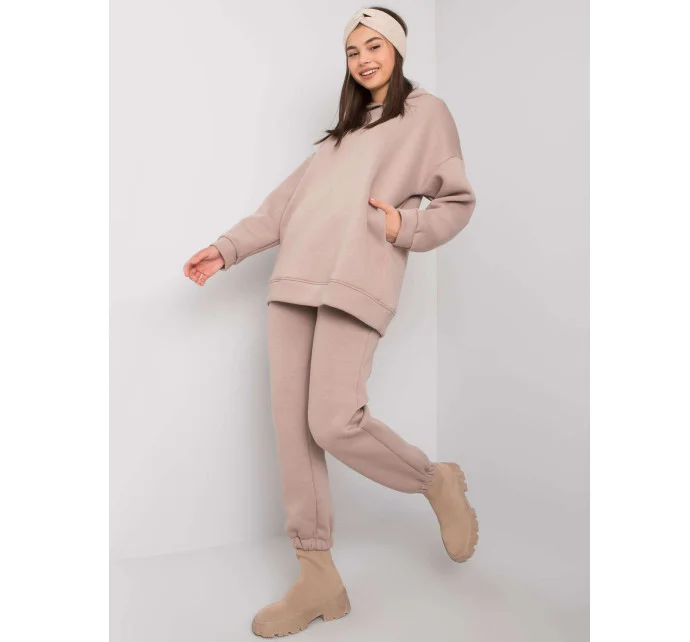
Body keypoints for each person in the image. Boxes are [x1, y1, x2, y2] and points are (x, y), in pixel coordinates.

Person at [183, 6, 479, 637]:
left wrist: (405, 226)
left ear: (398, 50)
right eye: (352, 51)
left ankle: (434, 481)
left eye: (375, 46)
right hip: (292, 283)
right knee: (293, 432)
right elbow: (282, 207)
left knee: (334, 421)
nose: (364, 59)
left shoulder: (426, 114)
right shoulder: (339, 135)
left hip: (356, 282)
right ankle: (317, 577)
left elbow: (456, 201)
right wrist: (226, 249)